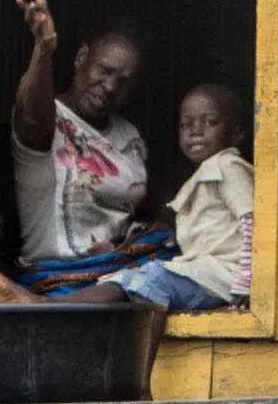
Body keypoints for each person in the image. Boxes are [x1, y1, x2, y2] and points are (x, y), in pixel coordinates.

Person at [4, 0, 152, 273]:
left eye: (123, 82)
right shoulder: (51, 119)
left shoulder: (128, 134)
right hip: (57, 272)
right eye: (104, 70)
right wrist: (44, 49)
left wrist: (125, 244)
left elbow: (143, 210)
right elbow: (32, 115)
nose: (110, 87)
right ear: (82, 57)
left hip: (115, 268)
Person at [98, 84, 254, 312]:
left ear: (237, 134)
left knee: (151, 279)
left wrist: (245, 281)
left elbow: (253, 221)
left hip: (223, 277)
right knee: (127, 277)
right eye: (186, 124)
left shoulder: (228, 166)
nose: (195, 131)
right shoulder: (204, 173)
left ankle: (56, 308)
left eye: (209, 122)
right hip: (207, 274)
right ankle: (54, 306)